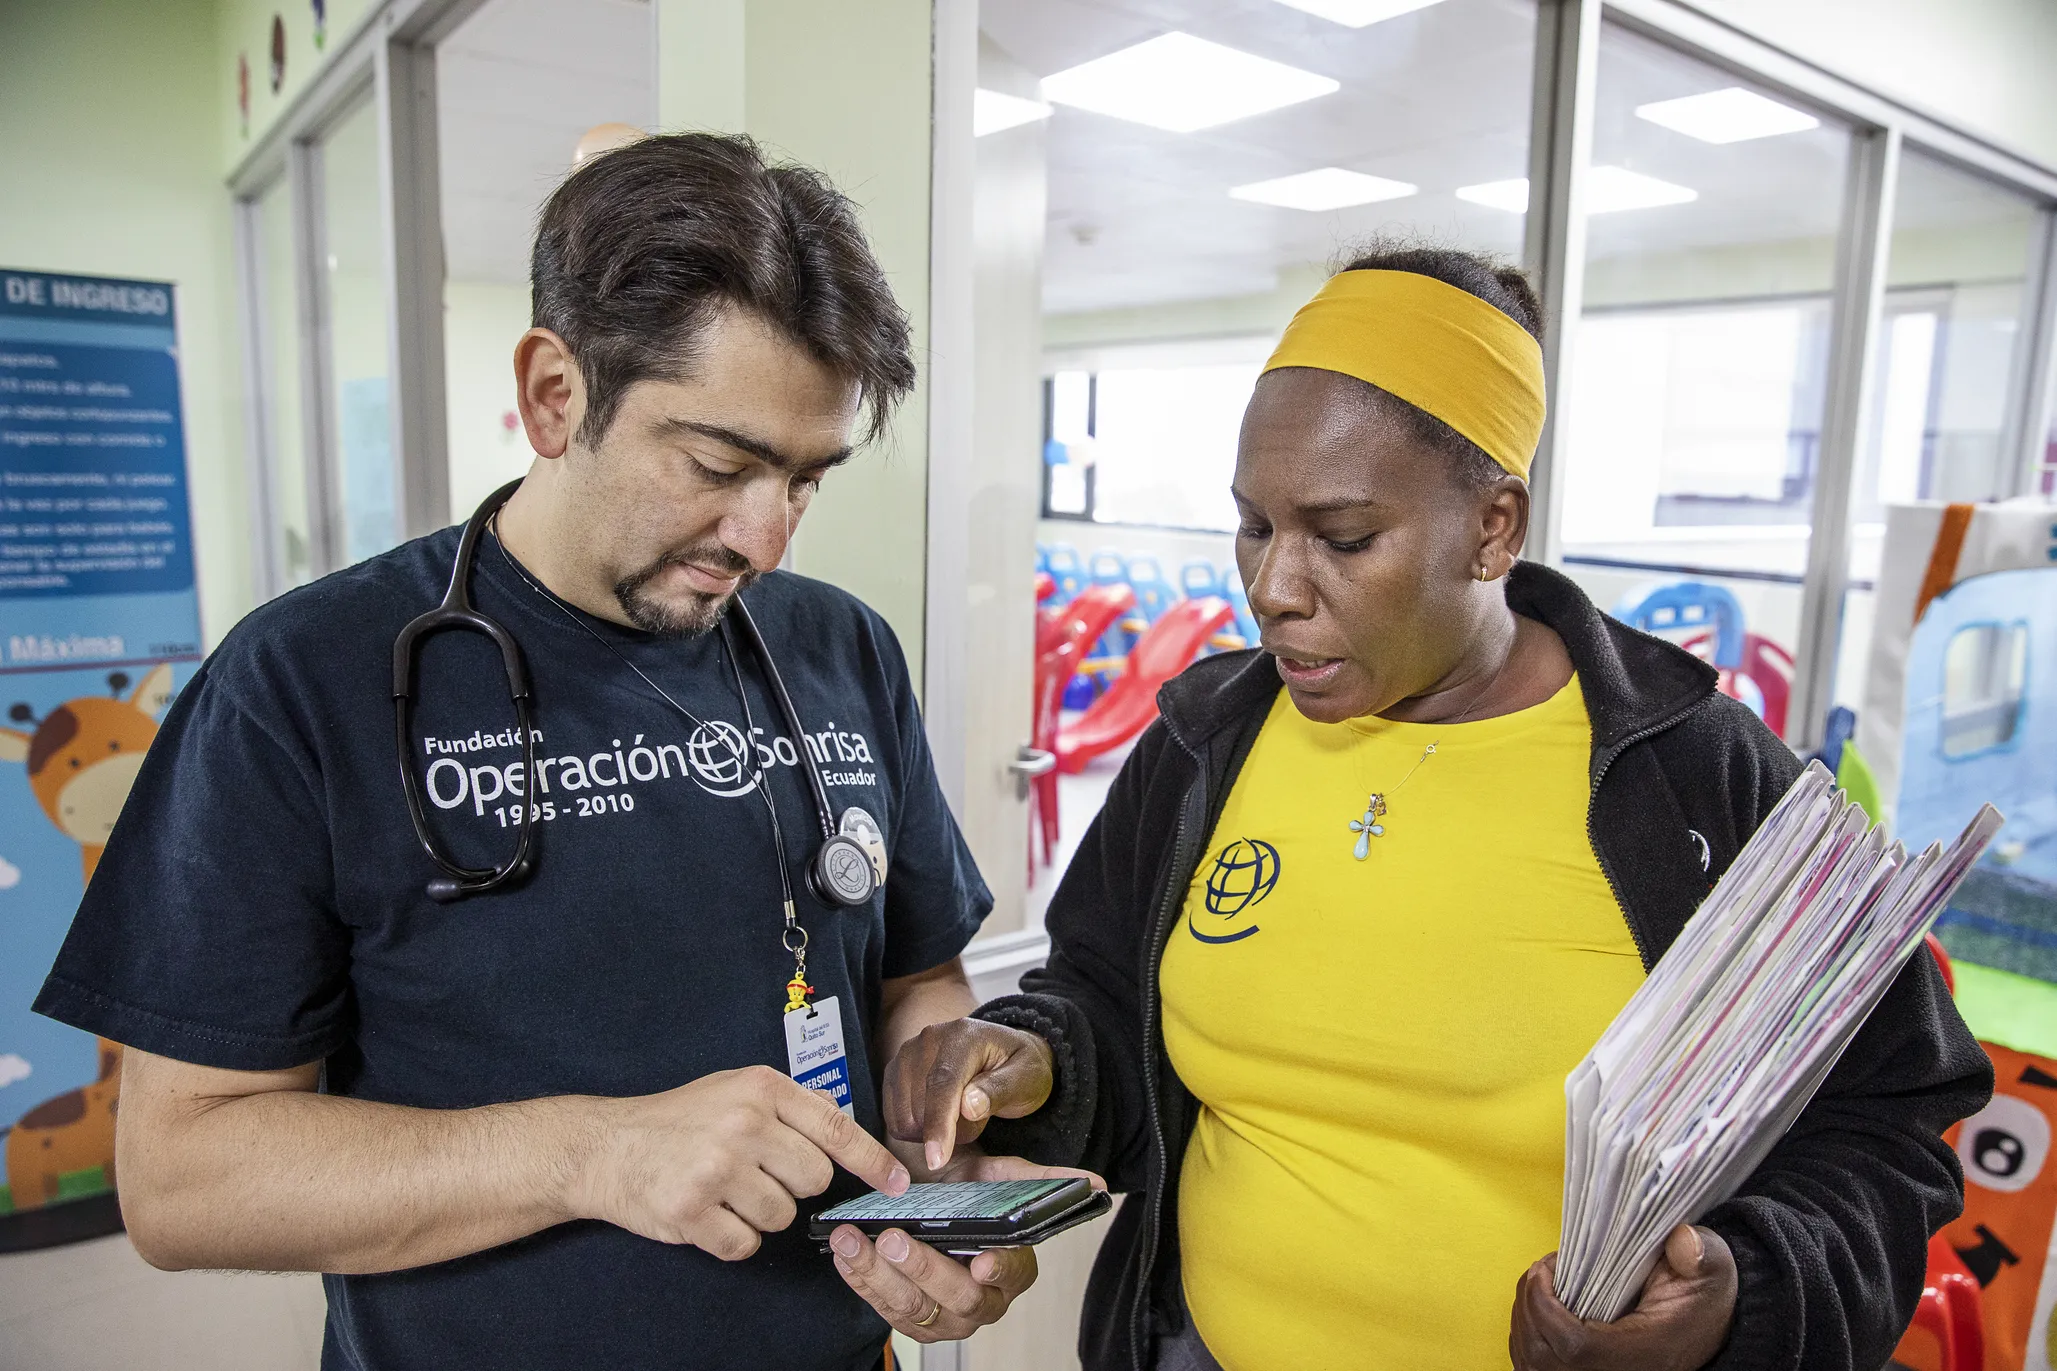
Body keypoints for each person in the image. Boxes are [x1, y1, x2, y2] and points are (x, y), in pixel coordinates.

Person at [32, 133, 1068, 1370]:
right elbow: (181, 1178)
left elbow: (915, 979)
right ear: (552, 394)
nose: (766, 539)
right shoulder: (301, 683)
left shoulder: (838, 647)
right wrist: (593, 1152)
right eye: (717, 465)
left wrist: (935, 1126)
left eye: (804, 479)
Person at [884, 245, 1993, 1371]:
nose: (1270, 586)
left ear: (1492, 529)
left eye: (1343, 537)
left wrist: (1737, 1298)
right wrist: (1033, 1062)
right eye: (1254, 526)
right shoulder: (1201, 745)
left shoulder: (1696, 782)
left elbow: (1886, 1127)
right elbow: (1107, 1010)